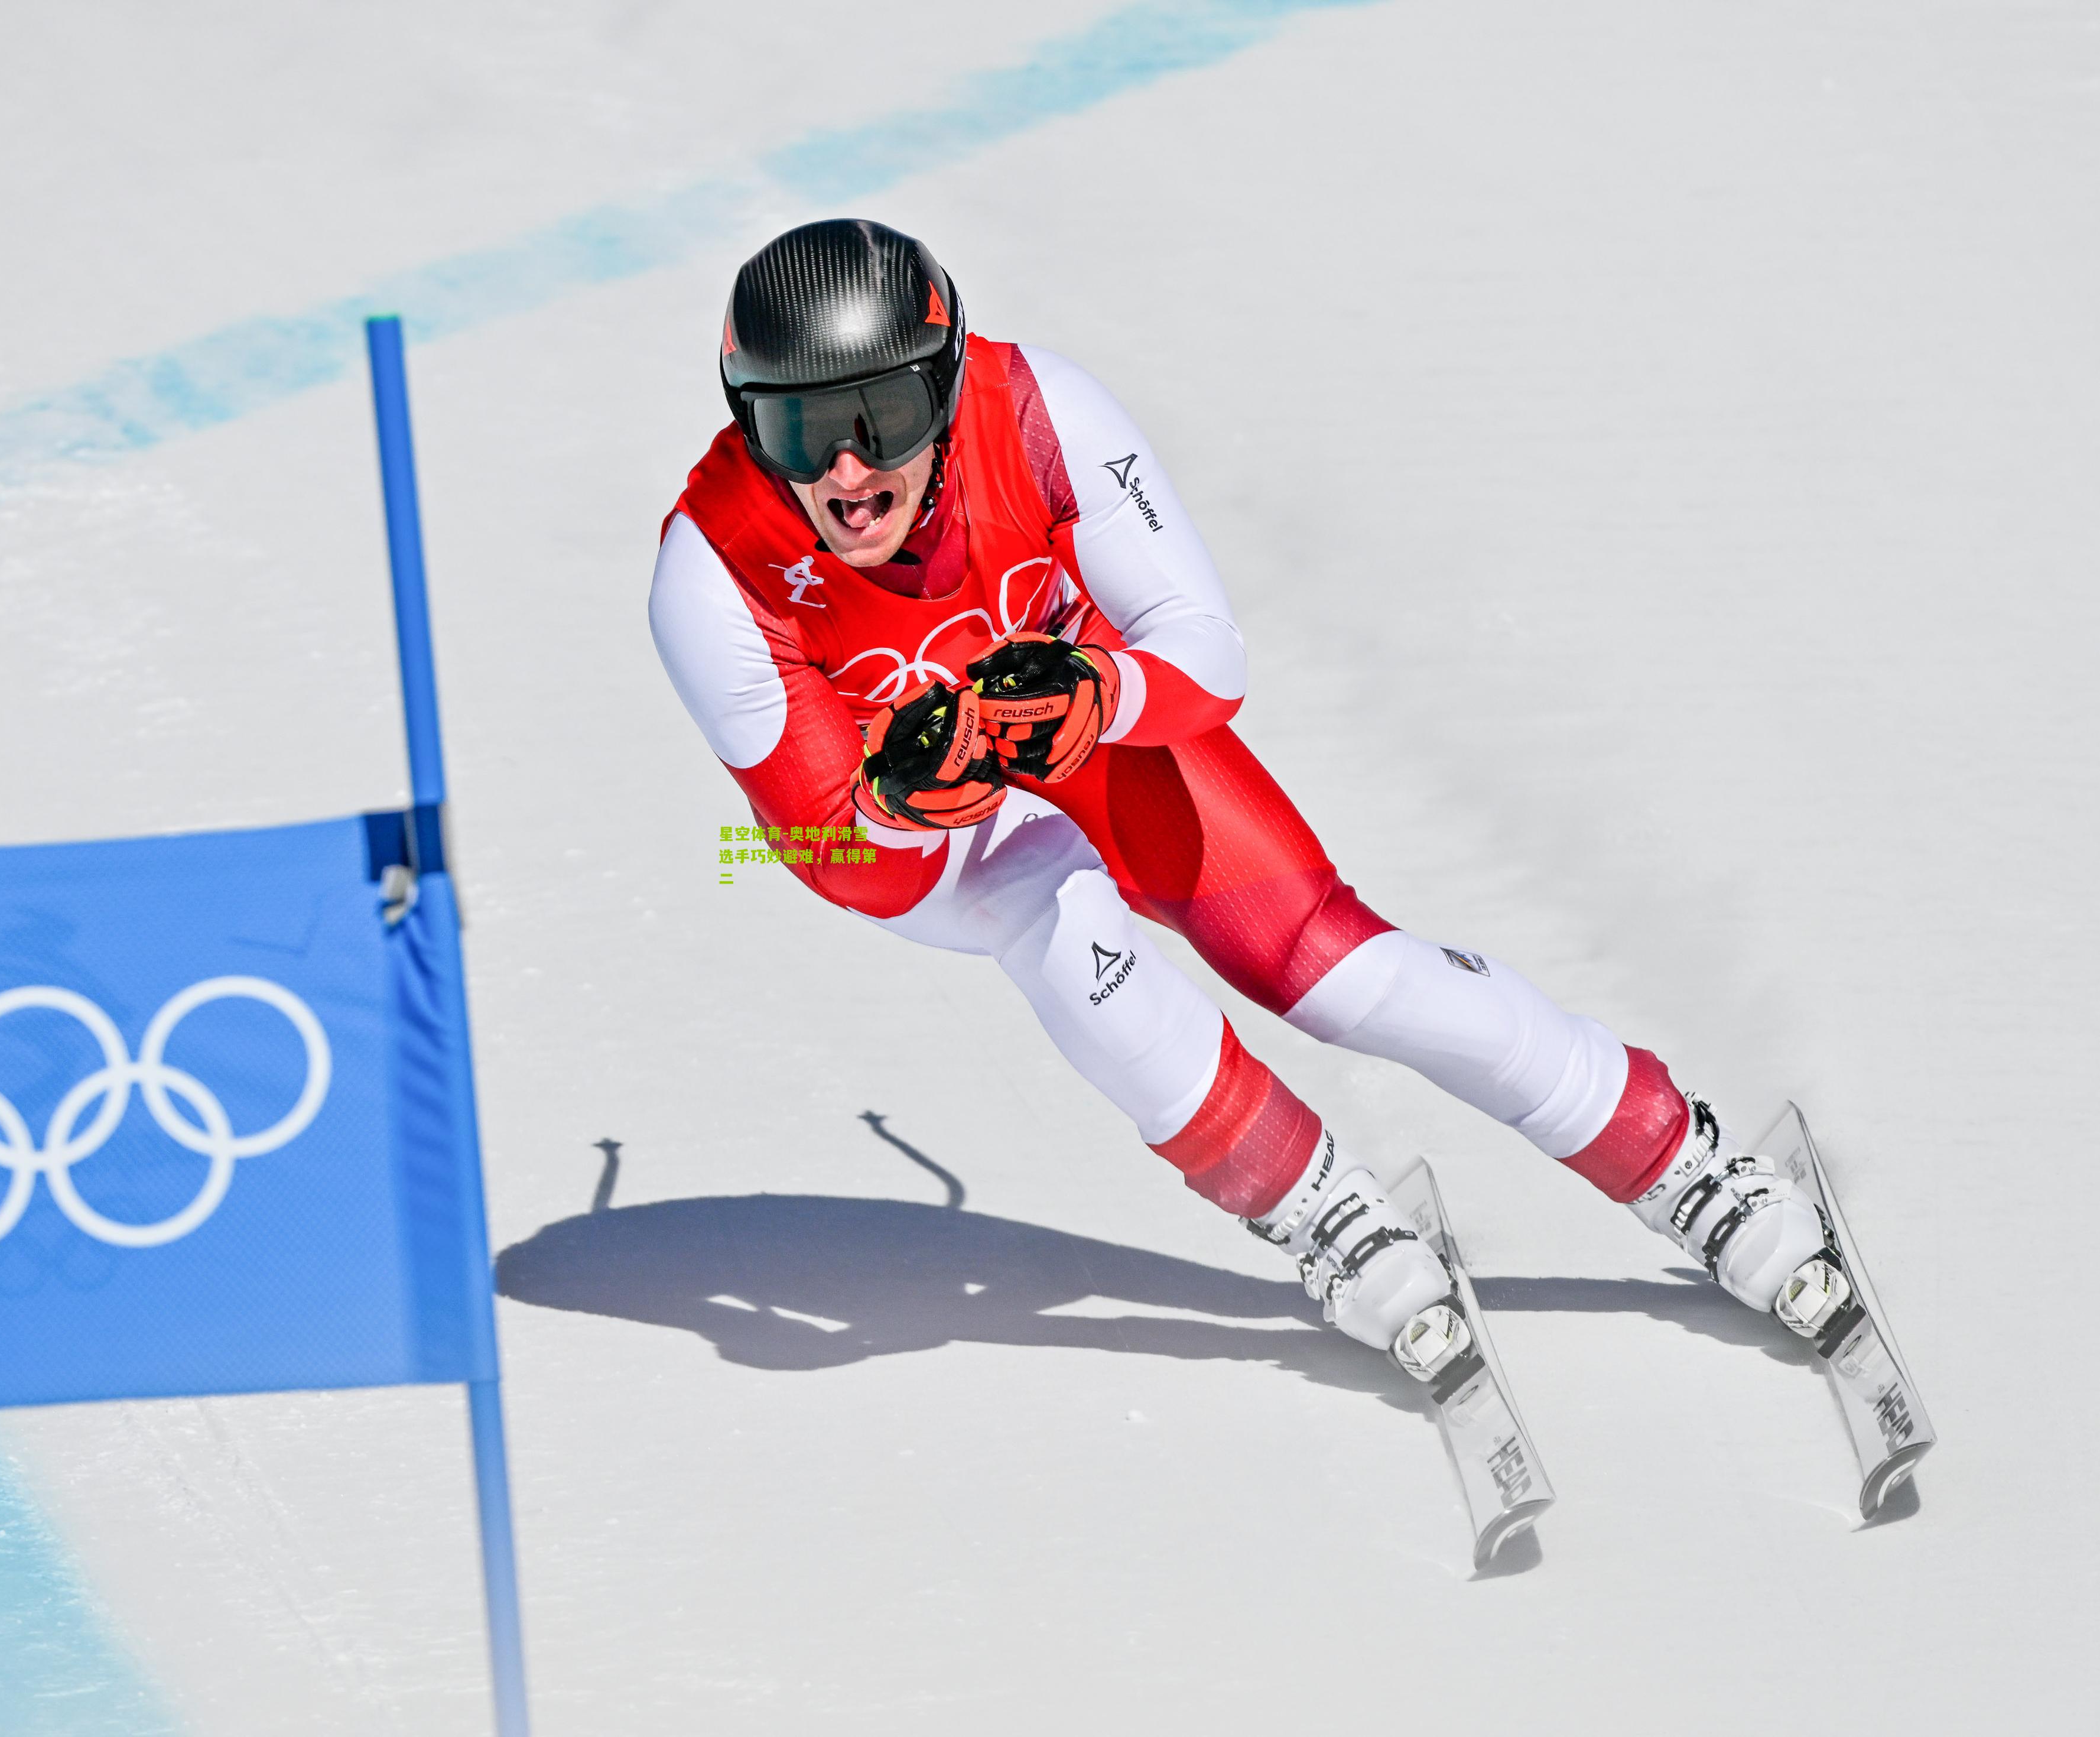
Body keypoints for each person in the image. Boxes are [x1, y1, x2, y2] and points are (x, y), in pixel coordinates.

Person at [648, 218, 1849, 1380]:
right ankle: (1315, 1205)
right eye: (798, 432)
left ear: (949, 386)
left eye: (883, 417)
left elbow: (1205, 657)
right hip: (926, 829)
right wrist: (912, 806)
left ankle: (1673, 1155)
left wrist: (1096, 694)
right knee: (1045, 908)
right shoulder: (708, 574)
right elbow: (822, 853)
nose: (848, 476)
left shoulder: (1041, 413)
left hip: (1092, 727)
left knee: (1332, 966)